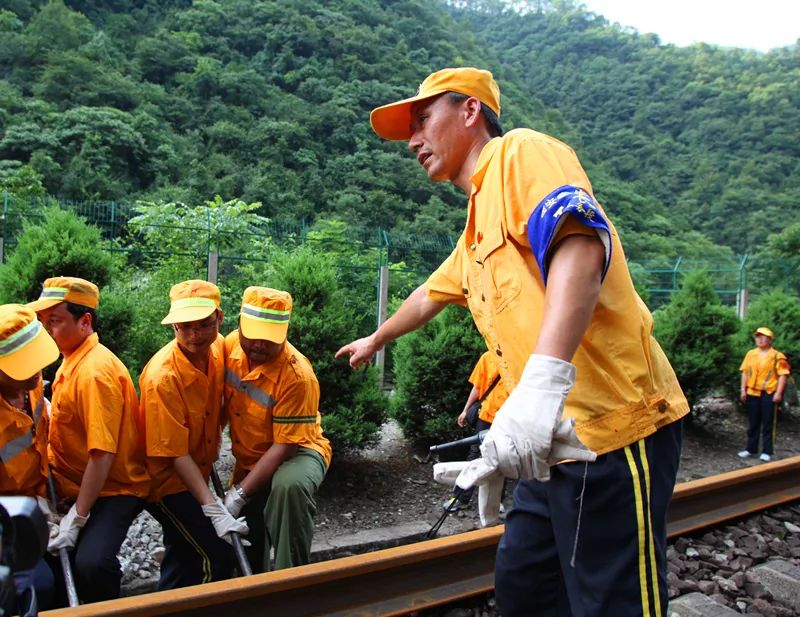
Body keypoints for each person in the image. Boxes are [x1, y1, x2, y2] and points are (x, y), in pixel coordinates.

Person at [336, 67, 689, 616]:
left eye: (424, 118)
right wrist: (375, 338)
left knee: (611, 601)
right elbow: (429, 295)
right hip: (545, 445)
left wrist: (542, 385)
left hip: (614, 431)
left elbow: (579, 242)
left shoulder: (518, 154)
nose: (412, 140)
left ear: (470, 111)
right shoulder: (475, 228)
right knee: (525, 585)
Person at [28, 277, 149, 604]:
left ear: (85, 321)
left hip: (114, 488)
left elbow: (102, 456)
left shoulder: (95, 373)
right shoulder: (72, 358)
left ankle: (109, 607)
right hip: (75, 484)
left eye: (54, 321)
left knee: (91, 563)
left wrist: (77, 518)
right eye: (43, 322)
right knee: (52, 560)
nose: (47, 330)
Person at [138, 279, 246, 589]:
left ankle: (165, 605)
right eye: (183, 327)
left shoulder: (217, 351)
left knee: (184, 552)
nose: (193, 335)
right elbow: (173, 453)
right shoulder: (163, 378)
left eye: (201, 325)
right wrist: (213, 509)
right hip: (165, 482)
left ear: (219, 319)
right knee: (215, 556)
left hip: (196, 469)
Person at [222, 287, 331, 572]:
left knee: (288, 488)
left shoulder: (297, 376)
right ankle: (251, 589)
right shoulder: (229, 347)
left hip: (298, 451)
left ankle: (289, 582)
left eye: (268, 339)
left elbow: (285, 447)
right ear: (240, 324)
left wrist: (240, 494)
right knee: (247, 532)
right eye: (253, 335)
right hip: (252, 456)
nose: (258, 345)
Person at [0, 304, 60, 610]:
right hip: (7, 516)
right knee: (37, 585)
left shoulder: (32, 388)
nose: (36, 374)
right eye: (24, 367)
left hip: (37, 498)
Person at [446, 349, 507, 510]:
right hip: (486, 416)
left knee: (503, 458)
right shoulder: (487, 357)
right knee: (474, 456)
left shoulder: (518, 359)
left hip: (507, 419)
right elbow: (478, 387)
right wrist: (465, 410)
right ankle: (460, 497)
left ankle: (496, 501)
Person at [738, 326, 790, 462]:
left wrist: (778, 393)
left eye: (763, 337)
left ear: (770, 340)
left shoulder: (778, 356)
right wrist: (743, 389)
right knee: (753, 422)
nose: (760, 339)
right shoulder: (750, 354)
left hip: (769, 392)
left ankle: (767, 451)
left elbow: (783, 376)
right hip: (752, 392)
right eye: (758, 337)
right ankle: (751, 448)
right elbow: (744, 372)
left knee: (768, 422)